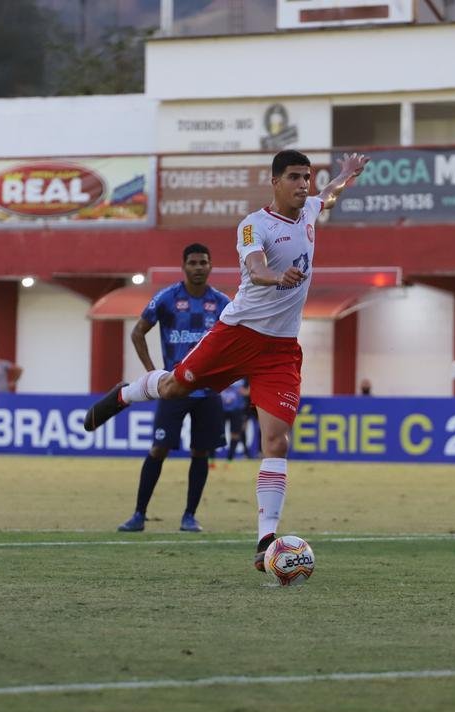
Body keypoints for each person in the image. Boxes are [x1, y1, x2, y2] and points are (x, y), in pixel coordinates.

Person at [84, 148, 369, 571]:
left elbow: (328, 196)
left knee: (276, 441)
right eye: (294, 177)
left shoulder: (310, 208)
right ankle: (124, 395)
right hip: (236, 334)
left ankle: (266, 539)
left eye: (306, 177)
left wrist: (345, 175)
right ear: (275, 182)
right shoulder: (254, 226)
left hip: (280, 349)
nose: (303, 184)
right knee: (175, 386)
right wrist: (279, 277)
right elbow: (254, 270)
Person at [115, 243, 231, 533]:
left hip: (207, 391)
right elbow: (138, 331)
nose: (198, 267)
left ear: (210, 266)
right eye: (192, 263)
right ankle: (139, 515)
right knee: (159, 449)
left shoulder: (221, 303)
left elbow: (236, 340)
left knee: (201, 452)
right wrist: (154, 374)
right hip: (174, 389)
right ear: (184, 266)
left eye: (203, 262)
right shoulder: (167, 298)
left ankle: (189, 517)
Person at [220, 378, 253, 461]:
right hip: (221, 408)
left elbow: (249, 390)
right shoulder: (223, 372)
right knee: (218, 431)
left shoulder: (244, 377)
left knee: (236, 433)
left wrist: (245, 392)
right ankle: (211, 456)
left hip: (237, 409)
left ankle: (230, 456)